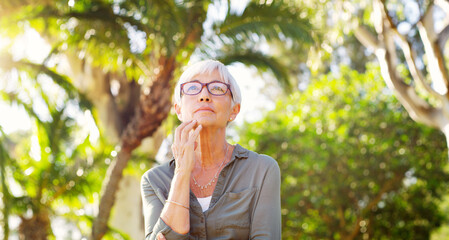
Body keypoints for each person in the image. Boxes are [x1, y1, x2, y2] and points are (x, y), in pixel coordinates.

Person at [140, 60, 281, 240]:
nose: (204, 96)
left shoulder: (262, 170)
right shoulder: (154, 181)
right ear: (179, 110)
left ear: (234, 110)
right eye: (192, 88)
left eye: (217, 88)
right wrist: (182, 171)